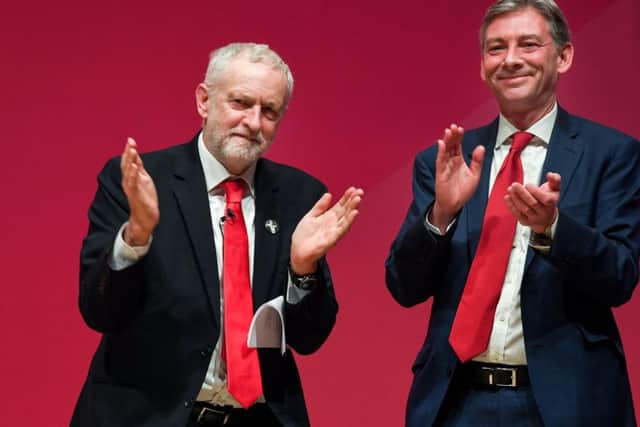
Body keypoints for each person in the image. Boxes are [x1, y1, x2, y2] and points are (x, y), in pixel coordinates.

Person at [72, 42, 363, 427]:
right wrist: (137, 236)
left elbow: (309, 339)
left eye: (270, 110)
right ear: (204, 101)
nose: (254, 122)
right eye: (240, 103)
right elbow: (100, 311)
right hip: (149, 416)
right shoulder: (141, 181)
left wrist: (303, 268)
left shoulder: (300, 197)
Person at [385, 1, 640, 426]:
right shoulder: (448, 161)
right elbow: (403, 286)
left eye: (528, 44)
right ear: (483, 66)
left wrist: (552, 229)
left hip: (565, 403)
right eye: (496, 48)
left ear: (563, 56)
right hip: (457, 402)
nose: (511, 59)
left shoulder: (612, 154)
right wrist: (441, 213)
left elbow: (621, 277)